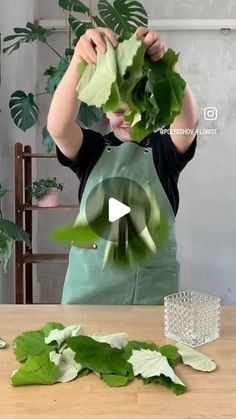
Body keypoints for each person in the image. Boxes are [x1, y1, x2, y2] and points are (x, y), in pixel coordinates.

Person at [47, 27, 199, 305]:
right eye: (118, 110)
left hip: (148, 300)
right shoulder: (90, 150)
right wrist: (79, 62)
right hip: (88, 296)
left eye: (137, 107)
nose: (128, 118)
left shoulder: (163, 150)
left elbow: (188, 123)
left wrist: (168, 68)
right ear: (104, 107)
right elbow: (58, 127)